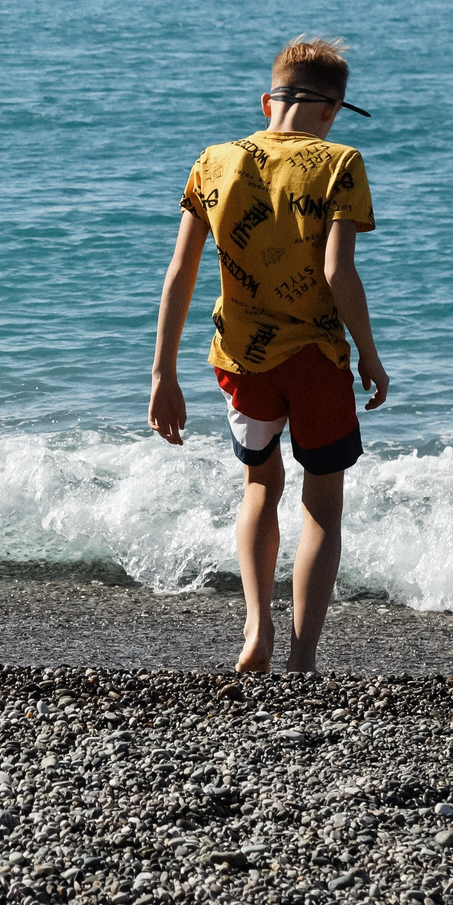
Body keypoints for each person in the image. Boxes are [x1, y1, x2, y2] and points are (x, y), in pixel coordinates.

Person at [149, 37, 390, 674]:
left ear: (267, 102)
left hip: (240, 359)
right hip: (314, 359)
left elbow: (180, 271)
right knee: (322, 504)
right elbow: (339, 274)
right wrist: (370, 353)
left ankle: (257, 630)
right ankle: (304, 656)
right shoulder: (341, 162)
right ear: (333, 109)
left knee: (259, 486)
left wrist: (163, 374)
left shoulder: (214, 161)